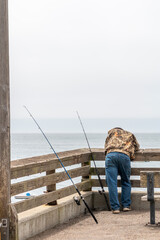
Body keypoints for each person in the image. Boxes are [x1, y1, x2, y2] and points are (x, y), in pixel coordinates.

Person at [104, 127, 140, 214]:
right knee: (126, 181)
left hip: (111, 156)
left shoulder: (111, 134)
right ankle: (126, 206)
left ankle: (115, 208)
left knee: (112, 182)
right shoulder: (129, 134)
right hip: (124, 156)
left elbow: (105, 147)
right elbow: (137, 146)